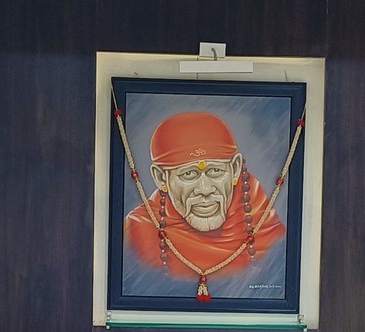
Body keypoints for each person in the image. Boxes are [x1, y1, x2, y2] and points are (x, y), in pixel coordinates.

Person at [121, 110, 287, 301]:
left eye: (215, 171)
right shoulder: (136, 233)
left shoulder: (264, 225)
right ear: (161, 178)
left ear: (235, 169)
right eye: (188, 174)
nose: (205, 189)